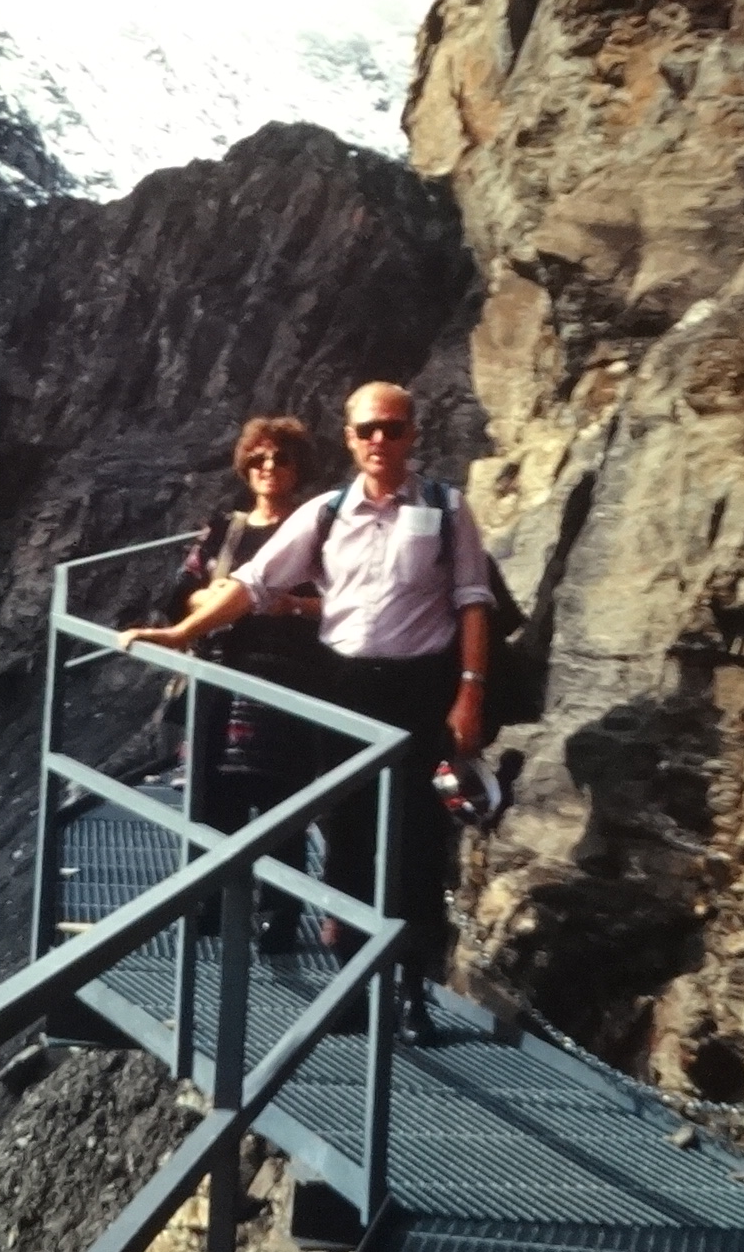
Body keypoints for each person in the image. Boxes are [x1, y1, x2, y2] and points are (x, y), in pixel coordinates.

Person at [123, 381, 489, 1043]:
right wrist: (182, 634)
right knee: (348, 838)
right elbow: (254, 583)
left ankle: (412, 994)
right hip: (343, 688)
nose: (381, 440)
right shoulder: (324, 513)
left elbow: (472, 601)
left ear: (412, 432)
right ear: (349, 438)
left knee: (414, 841)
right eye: (368, 429)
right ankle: (353, 990)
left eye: (393, 428)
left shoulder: (447, 508)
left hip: (419, 690)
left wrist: (469, 692)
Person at [160, 416, 325, 953]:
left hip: (288, 681)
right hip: (219, 675)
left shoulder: (317, 528)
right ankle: (211, 905)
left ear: (298, 467)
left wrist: (290, 605)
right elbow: (180, 591)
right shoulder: (224, 528)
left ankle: (279, 915)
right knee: (214, 794)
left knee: (283, 802)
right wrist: (216, 602)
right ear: (244, 466)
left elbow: (348, 600)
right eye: (258, 459)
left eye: (280, 458)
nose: (268, 468)